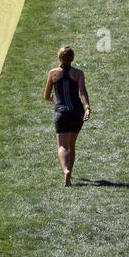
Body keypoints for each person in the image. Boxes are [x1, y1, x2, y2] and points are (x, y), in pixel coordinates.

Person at [44, 45, 91, 186]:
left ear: (59, 57)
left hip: (61, 112)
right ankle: (70, 170)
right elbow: (82, 91)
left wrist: (52, 97)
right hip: (77, 111)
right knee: (72, 144)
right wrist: (87, 107)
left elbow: (46, 95)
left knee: (62, 147)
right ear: (72, 58)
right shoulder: (78, 73)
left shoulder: (52, 73)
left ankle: (65, 171)